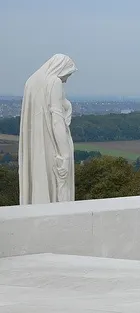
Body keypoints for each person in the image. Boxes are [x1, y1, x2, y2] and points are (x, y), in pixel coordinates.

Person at [19, 54, 77, 205]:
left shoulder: (32, 82)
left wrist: (67, 104)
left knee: (39, 178)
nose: (66, 80)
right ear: (60, 69)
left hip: (37, 144)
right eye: (67, 74)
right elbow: (56, 120)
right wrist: (64, 155)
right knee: (56, 189)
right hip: (51, 145)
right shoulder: (54, 82)